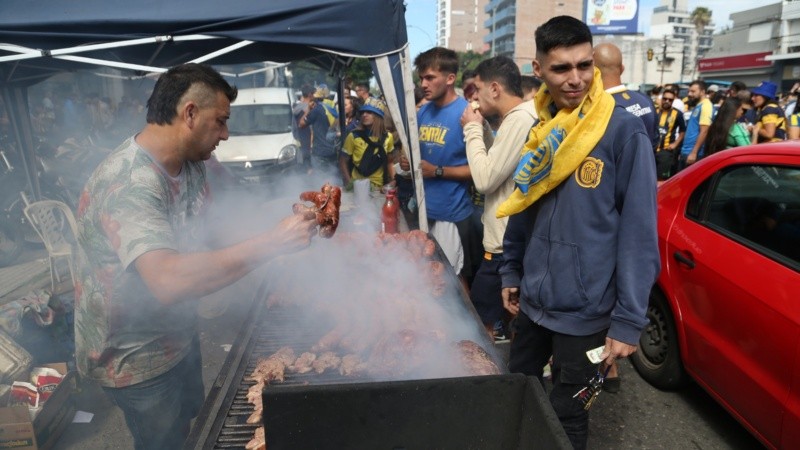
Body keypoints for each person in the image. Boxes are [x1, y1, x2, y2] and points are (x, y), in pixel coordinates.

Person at [73, 63, 318, 450]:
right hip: (135, 359)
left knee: (191, 426)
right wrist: (272, 243)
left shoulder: (190, 163)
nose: (225, 133)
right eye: (220, 121)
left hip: (178, 334)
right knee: (164, 443)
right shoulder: (129, 184)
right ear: (189, 113)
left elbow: (217, 227)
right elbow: (168, 282)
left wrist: (287, 242)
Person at [497, 16, 659, 449]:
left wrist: (628, 322)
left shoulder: (624, 132)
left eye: (584, 66)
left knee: (569, 419)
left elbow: (639, 235)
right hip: (532, 305)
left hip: (586, 316)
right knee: (519, 397)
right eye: (561, 69)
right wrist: (511, 270)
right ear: (538, 70)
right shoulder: (541, 131)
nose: (576, 79)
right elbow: (523, 205)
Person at [460, 55, 537, 340]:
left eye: (477, 90)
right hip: (511, 242)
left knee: (482, 326)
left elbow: (485, 179)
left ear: (494, 89)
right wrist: (481, 130)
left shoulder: (521, 118)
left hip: (505, 246)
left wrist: (470, 129)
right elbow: (500, 164)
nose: (475, 97)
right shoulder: (519, 118)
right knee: (513, 319)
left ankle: (487, 377)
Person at [399, 47, 481, 285]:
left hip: (452, 217)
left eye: (430, 77)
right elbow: (418, 157)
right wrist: (409, 161)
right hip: (424, 213)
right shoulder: (423, 112)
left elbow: (479, 171)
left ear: (450, 78)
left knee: (455, 283)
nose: (423, 84)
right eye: (421, 78)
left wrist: (436, 170)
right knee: (426, 278)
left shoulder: (467, 114)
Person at [594, 42, 659, 151]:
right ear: (622, 69)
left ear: (593, 72)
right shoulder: (645, 100)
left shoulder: (598, 107)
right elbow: (655, 140)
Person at [339, 97, 395, 190]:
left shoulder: (388, 137)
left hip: (379, 188)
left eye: (369, 112)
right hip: (357, 186)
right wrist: (349, 183)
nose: (364, 115)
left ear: (378, 116)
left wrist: (394, 180)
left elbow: (390, 162)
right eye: (362, 112)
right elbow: (343, 161)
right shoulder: (353, 135)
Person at [299, 85, 339, 172]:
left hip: (320, 152)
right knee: (333, 179)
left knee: (320, 181)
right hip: (333, 151)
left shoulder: (317, 110)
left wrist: (308, 110)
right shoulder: (334, 108)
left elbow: (301, 124)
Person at [679, 80, 713, 170]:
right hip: (686, 151)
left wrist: (694, 152)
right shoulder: (698, 105)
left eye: (693, 91)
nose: (689, 94)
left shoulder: (706, 106)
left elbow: (704, 131)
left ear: (702, 92)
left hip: (693, 154)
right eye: (689, 91)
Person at [654, 87, 686, 181]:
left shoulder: (678, 114)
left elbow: (683, 131)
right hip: (651, 150)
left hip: (666, 152)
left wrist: (675, 144)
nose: (667, 101)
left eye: (670, 100)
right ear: (661, 98)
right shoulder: (654, 110)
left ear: (673, 101)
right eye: (665, 99)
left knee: (661, 179)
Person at [292, 84, 314, 170]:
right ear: (310, 94)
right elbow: (311, 129)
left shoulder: (296, 108)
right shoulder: (308, 109)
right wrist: (311, 145)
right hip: (308, 143)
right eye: (314, 93)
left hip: (299, 142)